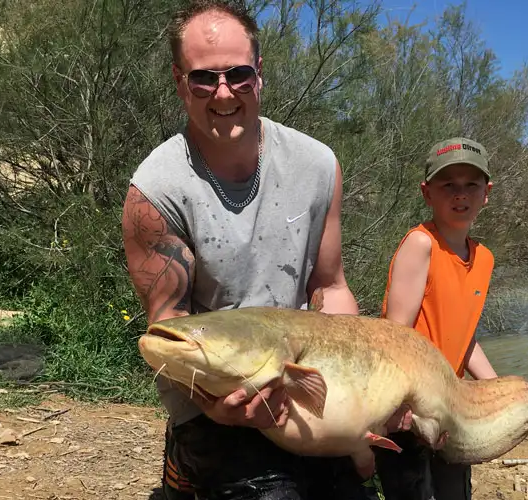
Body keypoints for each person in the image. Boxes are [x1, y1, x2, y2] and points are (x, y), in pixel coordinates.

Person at [120, 1, 404, 499]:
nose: (224, 92)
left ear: (260, 76)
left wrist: (364, 389)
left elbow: (330, 286)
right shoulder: (153, 191)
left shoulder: (317, 165)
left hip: (299, 370)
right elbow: (168, 328)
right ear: (179, 81)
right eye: (204, 78)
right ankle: (186, 464)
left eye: (239, 75)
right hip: (213, 394)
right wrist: (212, 405)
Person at [374, 137, 528, 500]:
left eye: (471, 185)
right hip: (409, 412)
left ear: (487, 193)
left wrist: (506, 396)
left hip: (451, 407)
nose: (460, 194)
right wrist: (398, 407)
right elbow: (393, 338)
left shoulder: (484, 258)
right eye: (447, 185)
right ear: (427, 193)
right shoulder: (421, 245)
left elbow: (462, 336)